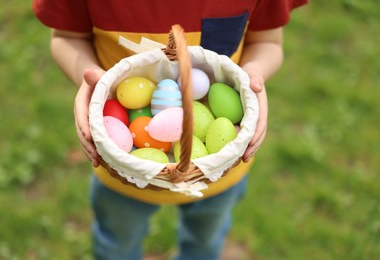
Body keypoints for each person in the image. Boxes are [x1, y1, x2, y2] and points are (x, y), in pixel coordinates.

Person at [33, 1, 308, 259]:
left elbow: (267, 41)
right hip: (122, 171)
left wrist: (254, 75)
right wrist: (90, 76)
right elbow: (67, 38)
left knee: (204, 243)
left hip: (216, 174)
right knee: (116, 244)